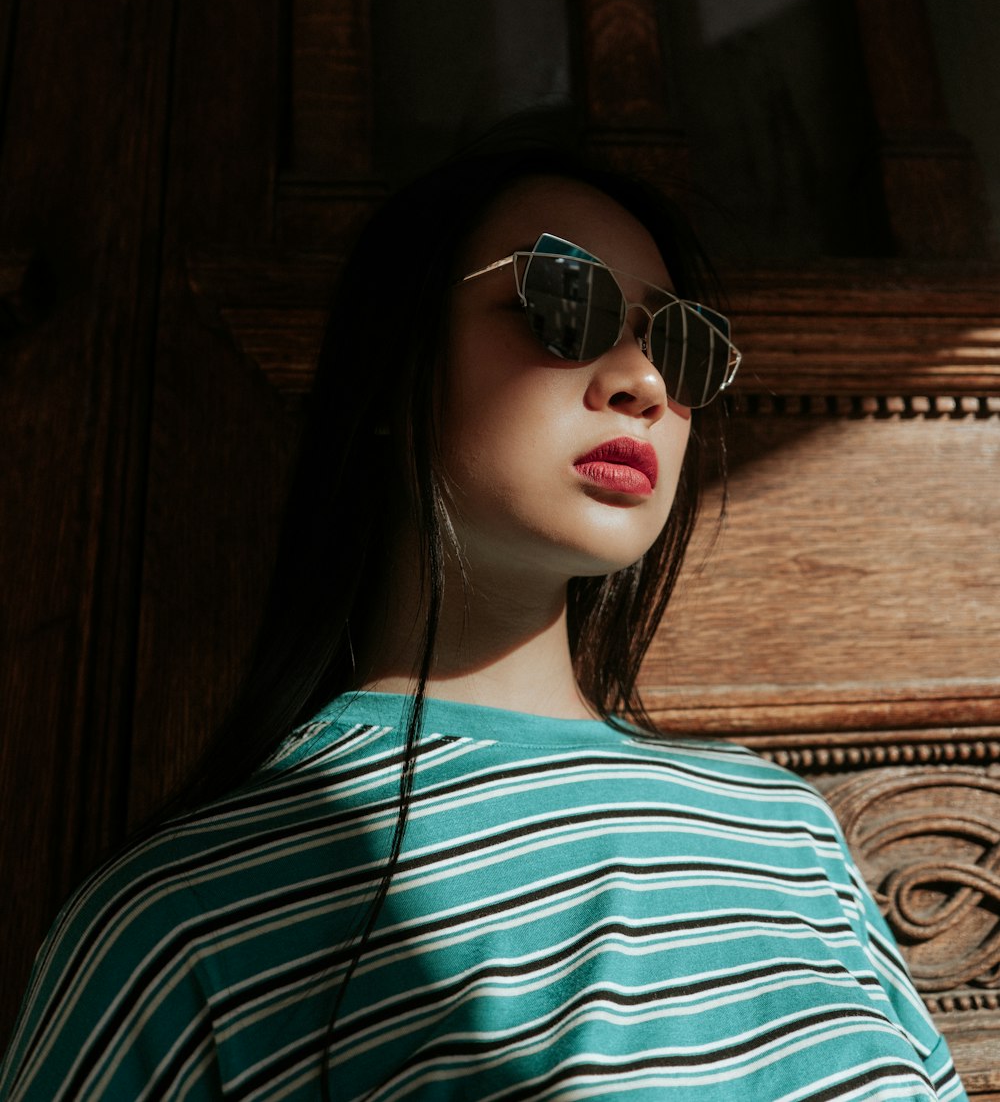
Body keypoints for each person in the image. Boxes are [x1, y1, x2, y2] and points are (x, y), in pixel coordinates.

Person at [0, 143, 967, 1100]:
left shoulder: (786, 829)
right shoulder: (175, 927)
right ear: (391, 367)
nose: (645, 382)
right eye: (562, 303)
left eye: (679, 342)